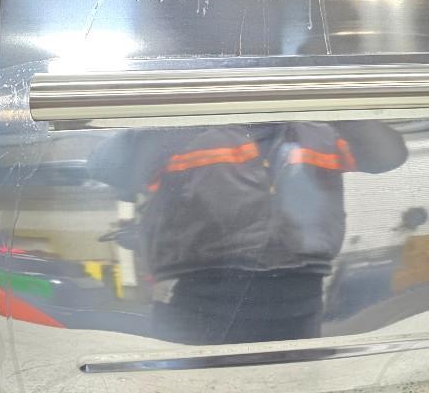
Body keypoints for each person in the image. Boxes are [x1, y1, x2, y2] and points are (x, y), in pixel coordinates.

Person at [89, 119, 407, 344]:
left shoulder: (320, 131)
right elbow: (106, 165)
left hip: (299, 298)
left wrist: (327, 93)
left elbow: (387, 155)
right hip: (198, 297)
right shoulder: (184, 129)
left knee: (294, 382)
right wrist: (184, 108)